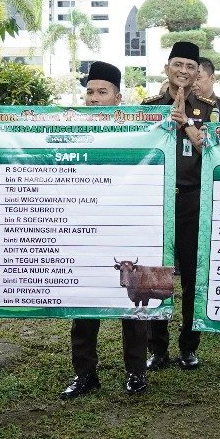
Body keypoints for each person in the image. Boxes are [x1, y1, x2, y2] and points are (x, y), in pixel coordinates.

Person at [60, 62, 150, 398]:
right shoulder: (72, 131)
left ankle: (136, 373)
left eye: (102, 92)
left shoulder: (140, 132)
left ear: (118, 97)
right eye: (89, 93)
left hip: (129, 227)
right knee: (84, 302)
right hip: (86, 229)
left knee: (134, 303)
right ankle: (84, 374)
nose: (94, 99)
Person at [142, 41, 215, 372]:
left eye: (190, 66)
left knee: (191, 277)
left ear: (198, 73)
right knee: (156, 275)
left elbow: (213, 153)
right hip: (156, 201)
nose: (184, 71)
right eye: (178, 64)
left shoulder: (215, 111)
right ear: (166, 67)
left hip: (193, 199)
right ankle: (157, 348)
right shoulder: (149, 107)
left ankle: (189, 346)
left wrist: (186, 121)